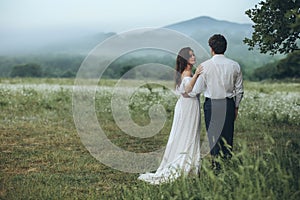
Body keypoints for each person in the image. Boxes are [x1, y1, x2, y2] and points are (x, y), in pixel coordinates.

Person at [138, 47, 203, 184]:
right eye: (190, 55)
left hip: (190, 106)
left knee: (190, 134)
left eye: (193, 54)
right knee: (185, 134)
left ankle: (191, 166)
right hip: (187, 106)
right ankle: (183, 164)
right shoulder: (187, 74)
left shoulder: (187, 72)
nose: (193, 57)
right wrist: (197, 75)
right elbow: (187, 91)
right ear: (185, 59)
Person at [188, 34, 244, 170]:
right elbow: (239, 90)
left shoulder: (204, 66)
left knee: (213, 137)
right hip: (229, 104)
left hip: (211, 105)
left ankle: (216, 167)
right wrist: (236, 107)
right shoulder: (235, 65)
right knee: (228, 136)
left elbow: (196, 90)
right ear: (225, 47)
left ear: (211, 48)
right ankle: (227, 165)